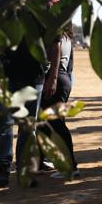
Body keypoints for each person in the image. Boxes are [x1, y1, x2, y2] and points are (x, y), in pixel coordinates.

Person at [0, 0, 51, 188]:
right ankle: (2, 169)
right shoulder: (1, 5)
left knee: (28, 126)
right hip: (5, 75)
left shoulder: (45, 7)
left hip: (34, 76)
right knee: (4, 123)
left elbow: (54, 42)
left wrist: (53, 74)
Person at [40, 27, 79, 176]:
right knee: (55, 124)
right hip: (63, 79)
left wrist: (52, 79)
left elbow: (50, 57)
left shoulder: (55, 35)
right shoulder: (67, 37)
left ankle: (70, 166)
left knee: (56, 125)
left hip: (54, 79)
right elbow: (70, 66)